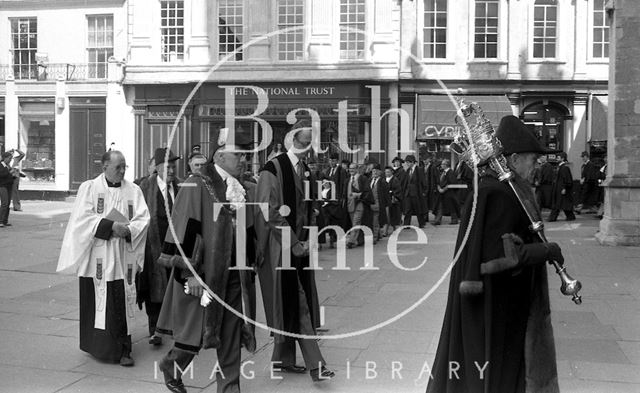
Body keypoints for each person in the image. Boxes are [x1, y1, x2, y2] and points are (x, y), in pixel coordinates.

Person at [427, 115, 562, 393]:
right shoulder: (497, 193)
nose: (535, 167)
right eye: (532, 160)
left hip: (498, 302)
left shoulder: (498, 188)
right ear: (513, 159)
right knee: (497, 374)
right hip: (496, 306)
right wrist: (546, 251)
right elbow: (496, 259)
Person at [155, 131, 257, 393]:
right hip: (205, 275)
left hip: (235, 275)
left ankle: (229, 389)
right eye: (239, 154)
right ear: (220, 156)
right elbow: (183, 228)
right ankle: (172, 366)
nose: (244, 160)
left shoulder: (240, 186)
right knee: (197, 334)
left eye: (246, 155)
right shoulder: (197, 183)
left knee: (231, 333)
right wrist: (189, 274)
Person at [255, 120, 335, 383]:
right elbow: (269, 210)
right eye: (306, 141)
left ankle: (283, 360)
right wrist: (294, 242)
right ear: (293, 141)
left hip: (300, 247)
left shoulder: (306, 170)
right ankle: (316, 365)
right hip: (282, 249)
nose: (311, 147)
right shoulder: (273, 168)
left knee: (293, 302)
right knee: (298, 304)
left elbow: (305, 207)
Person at [56, 151, 150, 366]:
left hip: (122, 255)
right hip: (96, 257)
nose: (123, 171)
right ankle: (97, 346)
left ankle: (124, 350)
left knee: (120, 301)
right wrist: (110, 226)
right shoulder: (89, 188)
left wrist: (129, 229)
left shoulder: (133, 190)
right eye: (118, 167)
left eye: (125, 166)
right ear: (104, 166)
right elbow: (81, 219)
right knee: (98, 302)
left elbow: (143, 218)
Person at [137, 148, 182, 347]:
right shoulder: (145, 186)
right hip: (153, 245)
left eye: (173, 166)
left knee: (176, 287)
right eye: (167, 167)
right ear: (157, 168)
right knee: (154, 289)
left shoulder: (182, 186)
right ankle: (154, 330)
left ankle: (175, 327)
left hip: (177, 246)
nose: (171, 171)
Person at [322, 153, 349, 248]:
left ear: (337, 161)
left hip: (337, 200)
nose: (331, 162)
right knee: (327, 219)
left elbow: (344, 185)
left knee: (336, 220)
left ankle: (334, 238)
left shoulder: (342, 171)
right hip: (327, 199)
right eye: (330, 160)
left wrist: (342, 198)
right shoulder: (327, 170)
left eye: (333, 160)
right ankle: (330, 237)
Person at [345, 162, 374, 248]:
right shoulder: (347, 180)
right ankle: (359, 240)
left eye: (353, 168)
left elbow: (367, 191)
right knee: (354, 223)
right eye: (350, 169)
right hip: (350, 204)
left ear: (357, 169)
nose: (351, 170)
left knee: (356, 222)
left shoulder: (363, 179)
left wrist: (359, 195)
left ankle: (351, 241)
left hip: (360, 203)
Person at [548, 152, 575, 222]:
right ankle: (570, 216)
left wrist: (564, 188)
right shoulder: (560, 167)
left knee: (559, 203)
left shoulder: (565, 168)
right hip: (558, 188)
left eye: (558, 158)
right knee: (563, 203)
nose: (556, 159)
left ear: (562, 159)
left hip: (561, 189)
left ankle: (552, 217)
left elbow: (567, 179)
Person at [402, 155, 427, 227]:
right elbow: (406, 182)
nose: (407, 164)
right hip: (408, 193)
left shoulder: (419, 169)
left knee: (418, 208)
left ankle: (421, 223)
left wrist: (424, 191)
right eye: (406, 163)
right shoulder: (408, 171)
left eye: (408, 162)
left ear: (412, 162)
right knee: (407, 209)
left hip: (416, 193)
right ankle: (406, 224)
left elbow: (423, 181)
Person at [433, 159, 459, 225]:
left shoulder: (450, 172)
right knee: (440, 206)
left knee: (451, 206)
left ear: (446, 165)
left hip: (448, 193)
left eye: (442, 164)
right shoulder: (443, 172)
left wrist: (443, 189)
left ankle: (454, 219)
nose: (441, 165)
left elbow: (452, 182)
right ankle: (438, 220)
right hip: (442, 193)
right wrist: (439, 187)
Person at [369, 163, 389, 243]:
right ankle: (379, 235)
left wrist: (386, 205)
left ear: (380, 172)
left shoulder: (382, 182)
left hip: (378, 204)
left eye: (377, 171)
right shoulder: (370, 180)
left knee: (375, 222)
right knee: (372, 221)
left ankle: (374, 237)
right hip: (370, 204)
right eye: (373, 171)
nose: (375, 172)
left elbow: (386, 195)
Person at [383, 166, 402, 235]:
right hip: (385, 200)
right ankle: (385, 231)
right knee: (387, 216)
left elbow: (397, 190)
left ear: (392, 172)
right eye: (385, 172)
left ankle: (394, 230)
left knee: (393, 216)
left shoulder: (395, 180)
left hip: (392, 200)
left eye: (388, 172)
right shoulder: (383, 180)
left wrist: (393, 195)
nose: (386, 173)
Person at [0, 152, 14, 228]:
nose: (10, 160)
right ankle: (0, 221)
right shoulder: (1, 165)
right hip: (2, 186)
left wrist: (13, 175)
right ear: (4, 158)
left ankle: (5, 221)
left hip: (9, 186)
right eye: (9, 158)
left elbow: (9, 176)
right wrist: (9, 173)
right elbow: (2, 175)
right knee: (4, 203)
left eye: (11, 159)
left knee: (8, 203)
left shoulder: (8, 166)